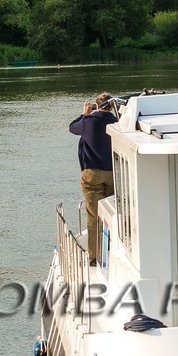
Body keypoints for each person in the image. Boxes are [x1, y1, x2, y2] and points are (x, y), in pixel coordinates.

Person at [68, 92, 118, 264]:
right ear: (111, 106)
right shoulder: (116, 122)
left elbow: (72, 127)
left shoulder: (88, 122)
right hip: (112, 174)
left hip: (92, 175)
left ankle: (94, 257)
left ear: (97, 105)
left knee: (93, 216)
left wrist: (84, 114)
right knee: (111, 213)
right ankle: (112, 250)